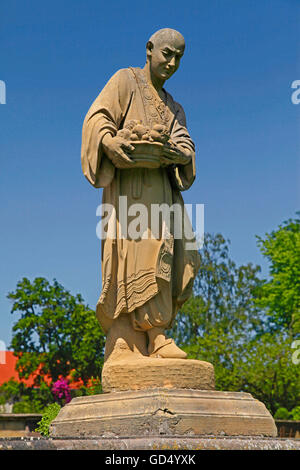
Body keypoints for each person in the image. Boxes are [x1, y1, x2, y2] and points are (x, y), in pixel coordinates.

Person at [81, 28, 200, 362]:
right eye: (167, 53)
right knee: (126, 257)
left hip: (161, 194)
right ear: (150, 49)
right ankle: (123, 338)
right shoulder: (125, 81)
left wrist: (180, 154)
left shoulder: (173, 107)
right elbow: (97, 118)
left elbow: (185, 143)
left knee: (163, 254)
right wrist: (109, 142)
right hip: (127, 193)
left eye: (179, 57)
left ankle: (159, 336)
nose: (172, 62)